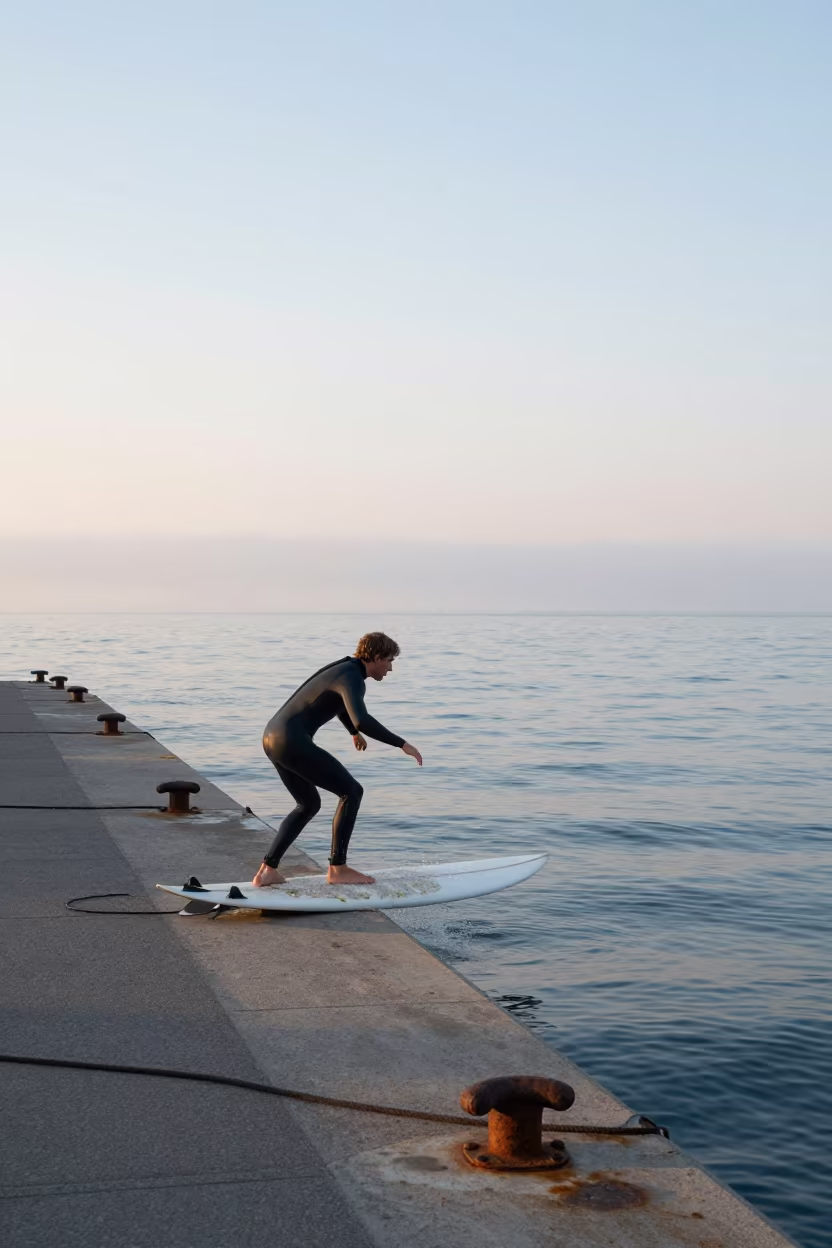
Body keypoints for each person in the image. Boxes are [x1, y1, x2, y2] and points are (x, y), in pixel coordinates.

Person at [252, 632, 422, 887]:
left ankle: (267, 871)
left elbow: (339, 703)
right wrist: (402, 744)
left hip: (272, 737)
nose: (390, 668)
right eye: (388, 661)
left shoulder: (344, 669)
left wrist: (353, 734)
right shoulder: (354, 678)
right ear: (375, 658)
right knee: (351, 792)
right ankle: (338, 868)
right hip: (292, 740)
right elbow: (361, 718)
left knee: (307, 804)